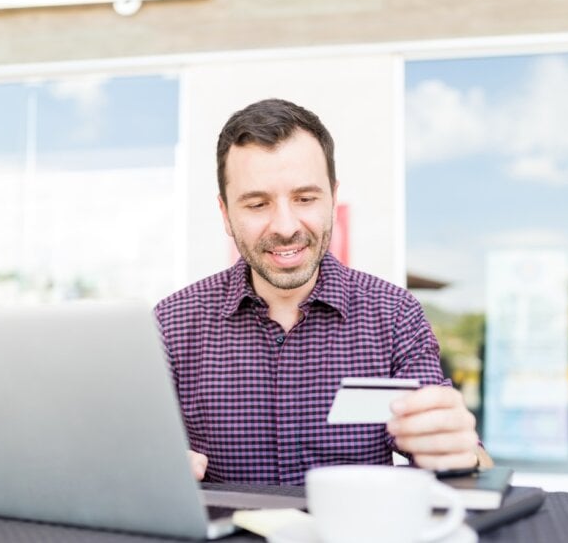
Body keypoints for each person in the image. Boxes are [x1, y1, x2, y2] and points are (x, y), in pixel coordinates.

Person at [155, 98, 492, 485]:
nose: (284, 226)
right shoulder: (170, 324)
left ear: (332, 199)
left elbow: (471, 470)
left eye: (305, 198)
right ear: (225, 214)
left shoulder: (396, 315)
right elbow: (132, 460)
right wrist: (152, 471)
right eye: (257, 203)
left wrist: (460, 451)